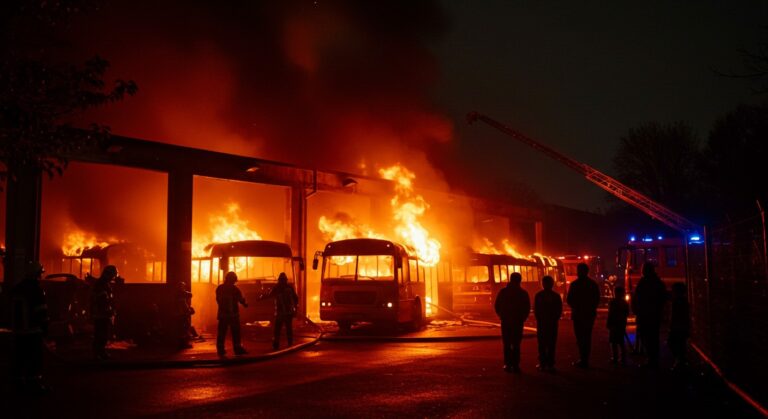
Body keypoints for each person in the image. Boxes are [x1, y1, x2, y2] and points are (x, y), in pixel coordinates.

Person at [11, 261, 50, 393]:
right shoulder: (36, 290)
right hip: (33, 330)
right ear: (36, 274)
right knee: (35, 358)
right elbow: (41, 311)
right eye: (40, 273)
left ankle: (18, 383)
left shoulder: (17, 288)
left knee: (19, 357)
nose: (41, 276)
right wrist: (45, 327)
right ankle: (34, 383)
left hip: (18, 331)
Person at [632, 262, 667, 368]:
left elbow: (637, 297)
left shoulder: (643, 282)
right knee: (653, 337)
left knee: (646, 337)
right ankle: (654, 359)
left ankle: (651, 359)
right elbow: (662, 298)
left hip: (645, 314)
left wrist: (636, 310)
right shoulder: (658, 282)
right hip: (654, 314)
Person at [494, 272, 530, 373]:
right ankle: (515, 364)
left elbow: (497, 305)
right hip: (518, 321)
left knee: (507, 343)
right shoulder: (523, 293)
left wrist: (501, 316)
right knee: (516, 344)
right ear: (520, 280)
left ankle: (507, 364)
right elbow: (527, 308)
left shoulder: (503, 292)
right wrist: (523, 318)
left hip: (506, 321)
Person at [566, 262, 600, 368]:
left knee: (580, 337)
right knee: (587, 336)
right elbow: (597, 299)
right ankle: (585, 359)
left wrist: (577, 306)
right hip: (589, 314)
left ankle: (583, 358)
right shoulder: (593, 284)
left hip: (578, 315)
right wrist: (590, 308)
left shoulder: (574, 285)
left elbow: (569, 299)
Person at [260, 272, 299, 350]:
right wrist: (295, 308)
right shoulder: (290, 288)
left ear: (279, 280)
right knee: (289, 328)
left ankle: (276, 344)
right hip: (289, 312)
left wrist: (261, 297)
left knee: (277, 329)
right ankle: (290, 343)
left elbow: (269, 295)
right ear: (286, 280)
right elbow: (296, 298)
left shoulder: (277, 288)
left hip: (280, 313)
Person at [534, 275, 562, 372]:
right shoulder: (556, 296)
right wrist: (555, 318)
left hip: (542, 323)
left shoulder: (539, 295)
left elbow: (536, 310)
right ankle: (550, 364)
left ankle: (542, 363)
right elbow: (559, 310)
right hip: (552, 323)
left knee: (542, 343)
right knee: (551, 344)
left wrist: (539, 319)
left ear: (542, 284)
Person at [216, 271, 248, 356]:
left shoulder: (220, 288)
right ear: (232, 279)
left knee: (222, 333)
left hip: (223, 315)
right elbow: (241, 300)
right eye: (234, 280)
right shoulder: (235, 289)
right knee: (235, 332)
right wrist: (245, 303)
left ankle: (221, 350)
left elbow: (218, 300)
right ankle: (237, 349)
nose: (234, 282)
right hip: (233, 315)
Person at [91, 265, 118, 360]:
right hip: (101, 314)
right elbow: (102, 300)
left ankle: (99, 352)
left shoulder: (103, 283)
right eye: (112, 275)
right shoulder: (101, 284)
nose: (113, 278)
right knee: (101, 334)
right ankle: (99, 353)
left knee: (102, 334)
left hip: (102, 313)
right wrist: (109, 309)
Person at [668, 282, 690, 371]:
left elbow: (676, 315)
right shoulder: (682, 301)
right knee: (680, 344)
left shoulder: (678, 302)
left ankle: (680, 362)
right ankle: (681, 362)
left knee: (675, 343)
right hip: (681, 327)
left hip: (678, 327)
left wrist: (672, 325)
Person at [606, 286, 630, 365]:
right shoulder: (625, 303)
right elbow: (627, 313)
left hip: (614, 324)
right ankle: (623, 357)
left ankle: (615, 357)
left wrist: (608, 323)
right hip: (621, 324)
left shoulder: (613, 302)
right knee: (621, 341)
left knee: (613, 341)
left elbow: (611, 314)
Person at [173, 281, 194, 349]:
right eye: (183, 286)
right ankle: (183, 344)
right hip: (181, 314)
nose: (183, 287)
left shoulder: (177, 294)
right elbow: (189, 295)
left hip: (179, 314)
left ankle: (182, 344)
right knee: (184, 328)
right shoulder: (180, 294)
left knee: (182, 329)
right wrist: (188, 310)